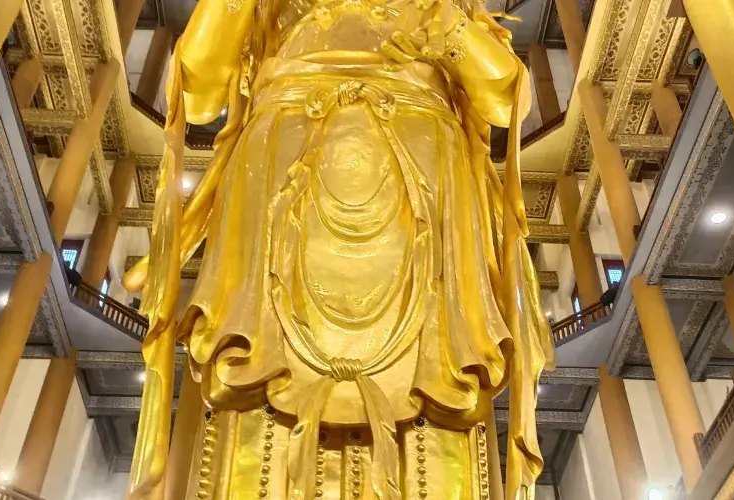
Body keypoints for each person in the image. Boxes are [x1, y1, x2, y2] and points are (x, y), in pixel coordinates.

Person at [123, 1, 554, 498]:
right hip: (283, 161)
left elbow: (504, 100)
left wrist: (445, 21)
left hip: (424, 174)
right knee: (252, 370)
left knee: (440, 380)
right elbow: (197, 92)